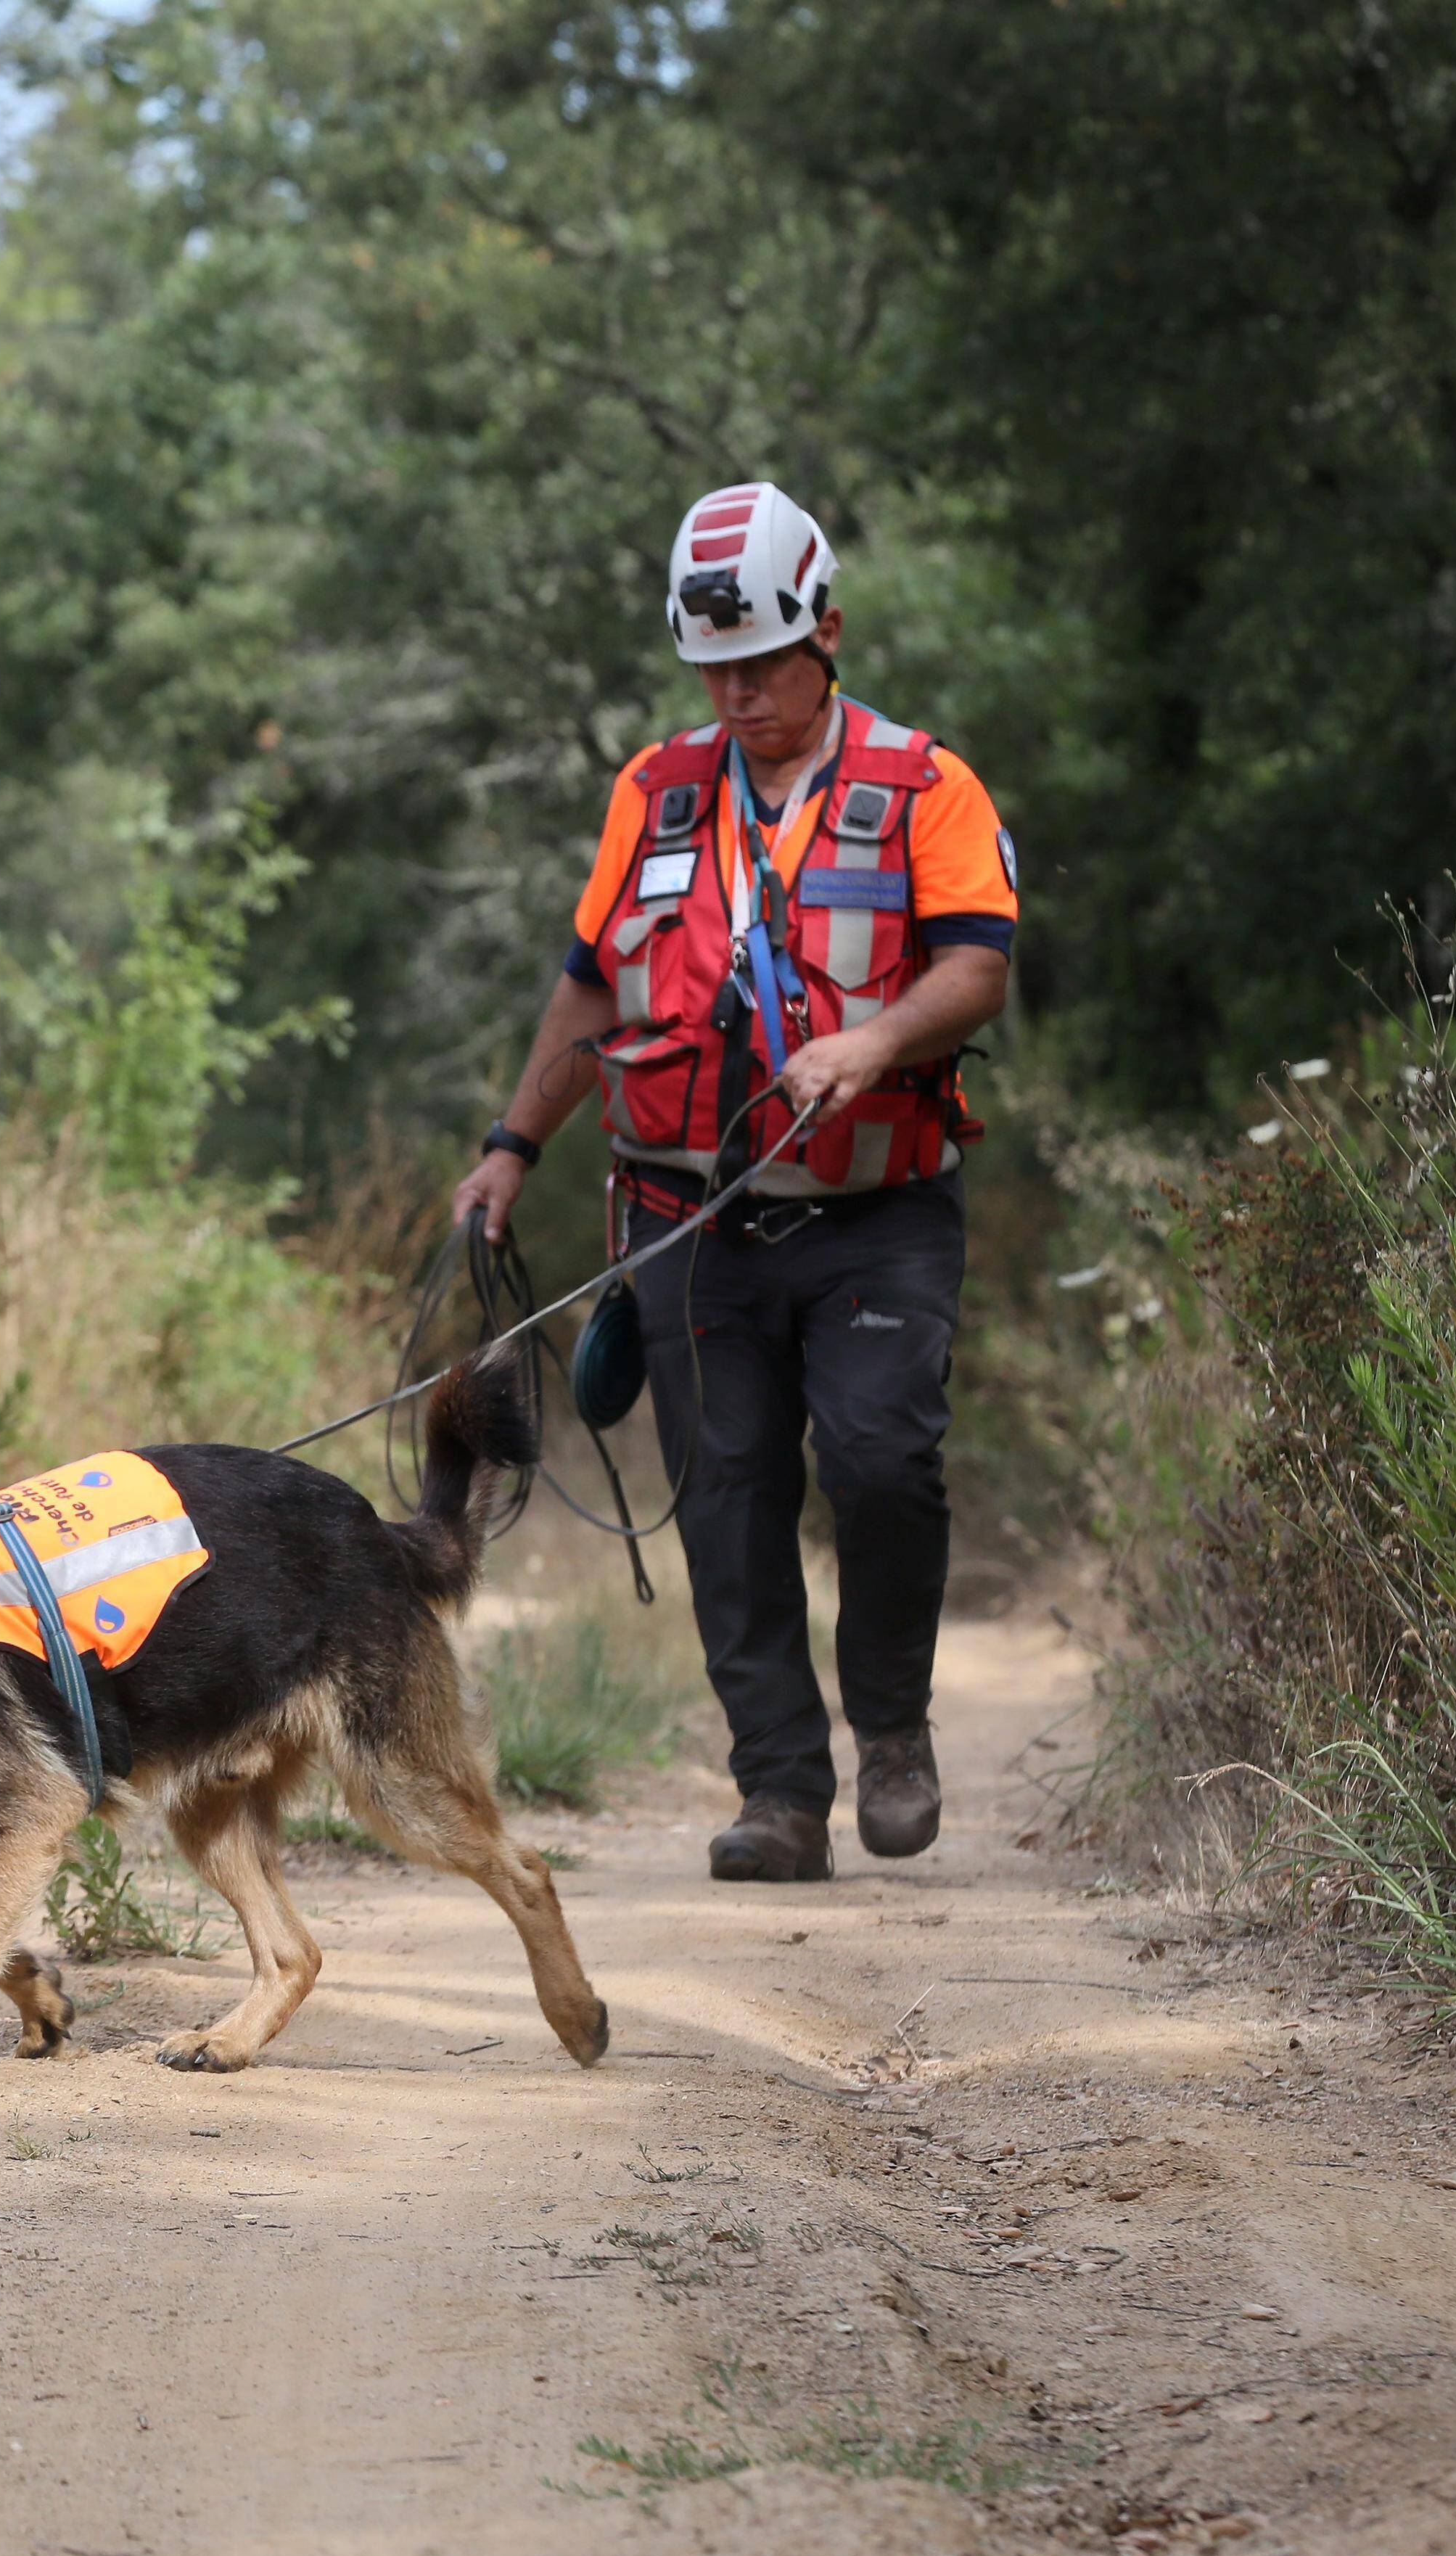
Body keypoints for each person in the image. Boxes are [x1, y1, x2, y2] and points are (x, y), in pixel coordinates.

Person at [452, 484, 1014, 1883]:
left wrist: (873, 1041)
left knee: (881, 1463)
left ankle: (894, 1733)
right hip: (687, 1219)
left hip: (879, 1210)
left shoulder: (925, 787)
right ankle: (779, 1789)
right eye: (715, 669)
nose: (739, 692)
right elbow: (592, 989)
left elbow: (978, 967)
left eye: (762, 662)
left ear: (828, 633)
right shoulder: (652, 793)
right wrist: (512, 1146)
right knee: (727, 1492)